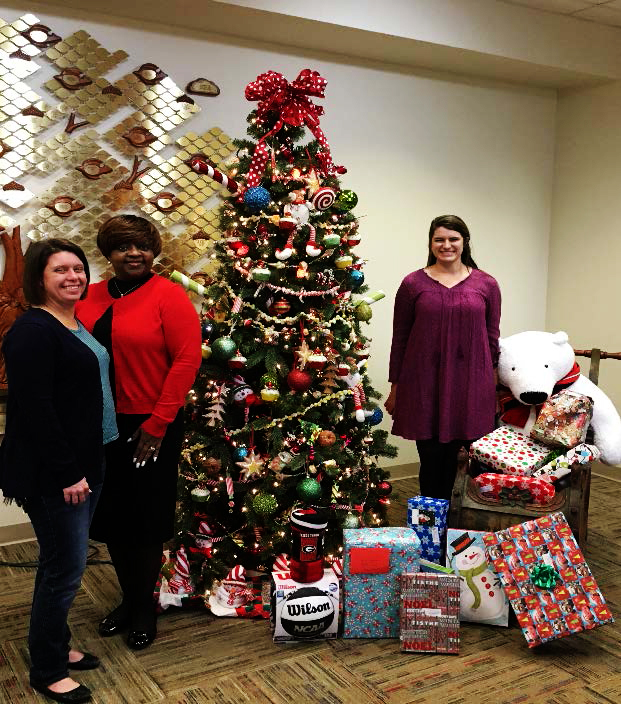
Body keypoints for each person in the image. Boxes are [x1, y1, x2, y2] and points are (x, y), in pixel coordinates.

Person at [0, 239, 118, 704]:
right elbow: (36, 409)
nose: (73, 277)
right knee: (64, 570)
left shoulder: (70, 321)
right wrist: (69, 472)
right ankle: (47, 669)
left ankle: (56, 644)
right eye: (60, 270)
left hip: (88, 460)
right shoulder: (32, 329)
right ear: (38, 279)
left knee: (61, 564)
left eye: (78, 268)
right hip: (58, 474)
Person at [76, 214, 201, 650]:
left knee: (145, 524)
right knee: (113, 520)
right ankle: (128, 601)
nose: (135, 253)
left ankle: (144, 608)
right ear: (107, 252)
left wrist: (158, 424)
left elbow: (186, 361)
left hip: (151, 424)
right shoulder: (87, 298)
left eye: (143, 245)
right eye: (124, 246)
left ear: (154, 251)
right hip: (100, 425)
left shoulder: (168, 295)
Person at [384, 214, 501, 501]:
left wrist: (494, 386)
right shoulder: (413, 284)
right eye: (439, 239)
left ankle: (458, 529)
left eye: (453, 239)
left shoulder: (487, 284)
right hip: (424, 384)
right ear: (431, 243)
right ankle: (430, 525)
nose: (446, 245)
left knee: (464, 460)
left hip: (470, 384)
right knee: (431, 458)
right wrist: (396, 388)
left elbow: (491, 338)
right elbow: (400, 338)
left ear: (465, 242)